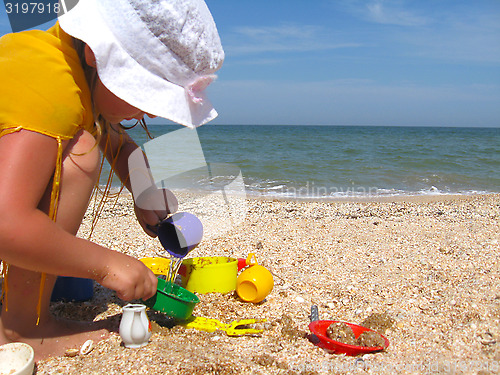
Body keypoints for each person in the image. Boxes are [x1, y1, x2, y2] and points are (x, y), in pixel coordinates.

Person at [0, 0, 224, 361]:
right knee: (82, 153)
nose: (150, 111)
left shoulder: (60, 61)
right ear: (94, 52)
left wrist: (143, 187)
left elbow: (117, 141)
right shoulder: (46, 86)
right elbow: (6, 224)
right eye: (144, 94)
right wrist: (109, 265)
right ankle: (22, 327)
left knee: (89, 139)